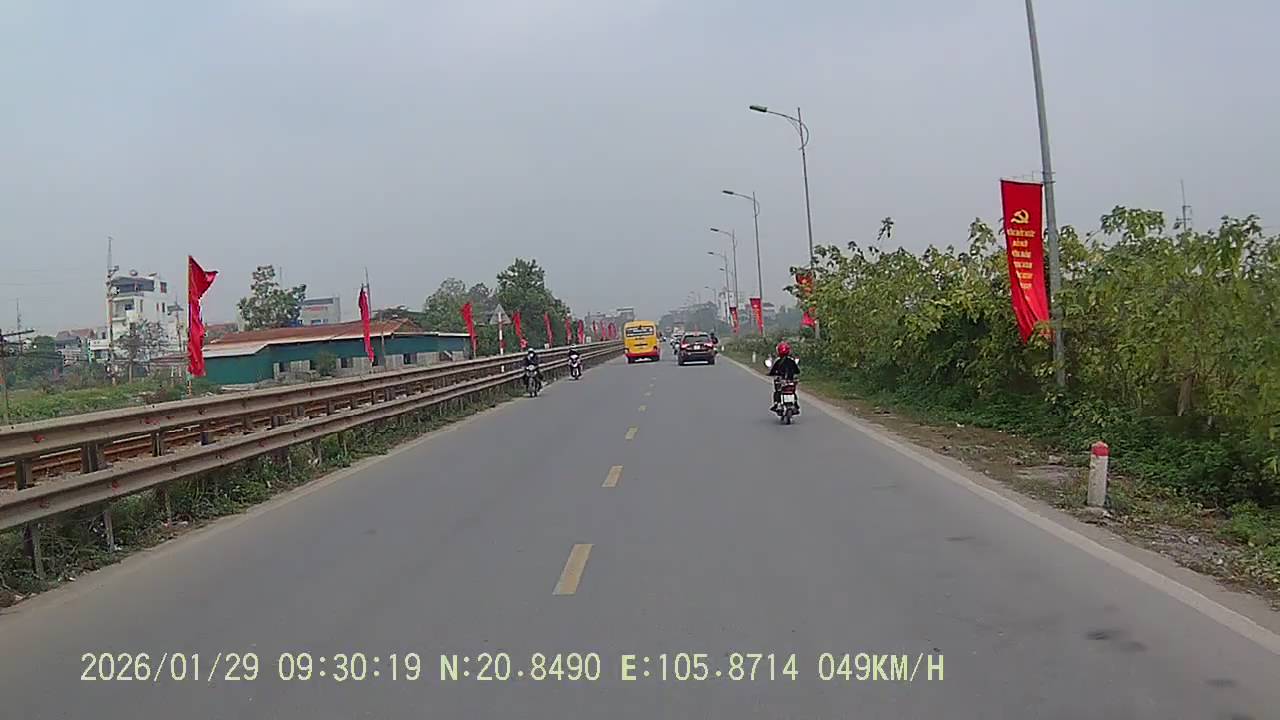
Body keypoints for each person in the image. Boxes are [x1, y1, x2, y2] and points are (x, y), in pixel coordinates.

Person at [768, 341, 800, 411]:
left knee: (777, 391)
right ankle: (795, 403)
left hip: (782, 381)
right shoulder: (791, 361)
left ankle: (776, 403)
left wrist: (771, 374)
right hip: (790, 380)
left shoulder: (778, 361)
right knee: (793, 391)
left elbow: (772, 371)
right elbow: (797, 371)